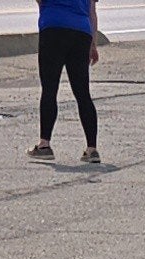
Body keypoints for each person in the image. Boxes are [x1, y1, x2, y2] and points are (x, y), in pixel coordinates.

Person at [29, 0, 100, 166]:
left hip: (53, 26)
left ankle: (44, 144)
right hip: (81, 31)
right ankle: (92, 148)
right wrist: (93, 44)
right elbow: (92, 11)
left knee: (49, 88)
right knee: (82, 92)